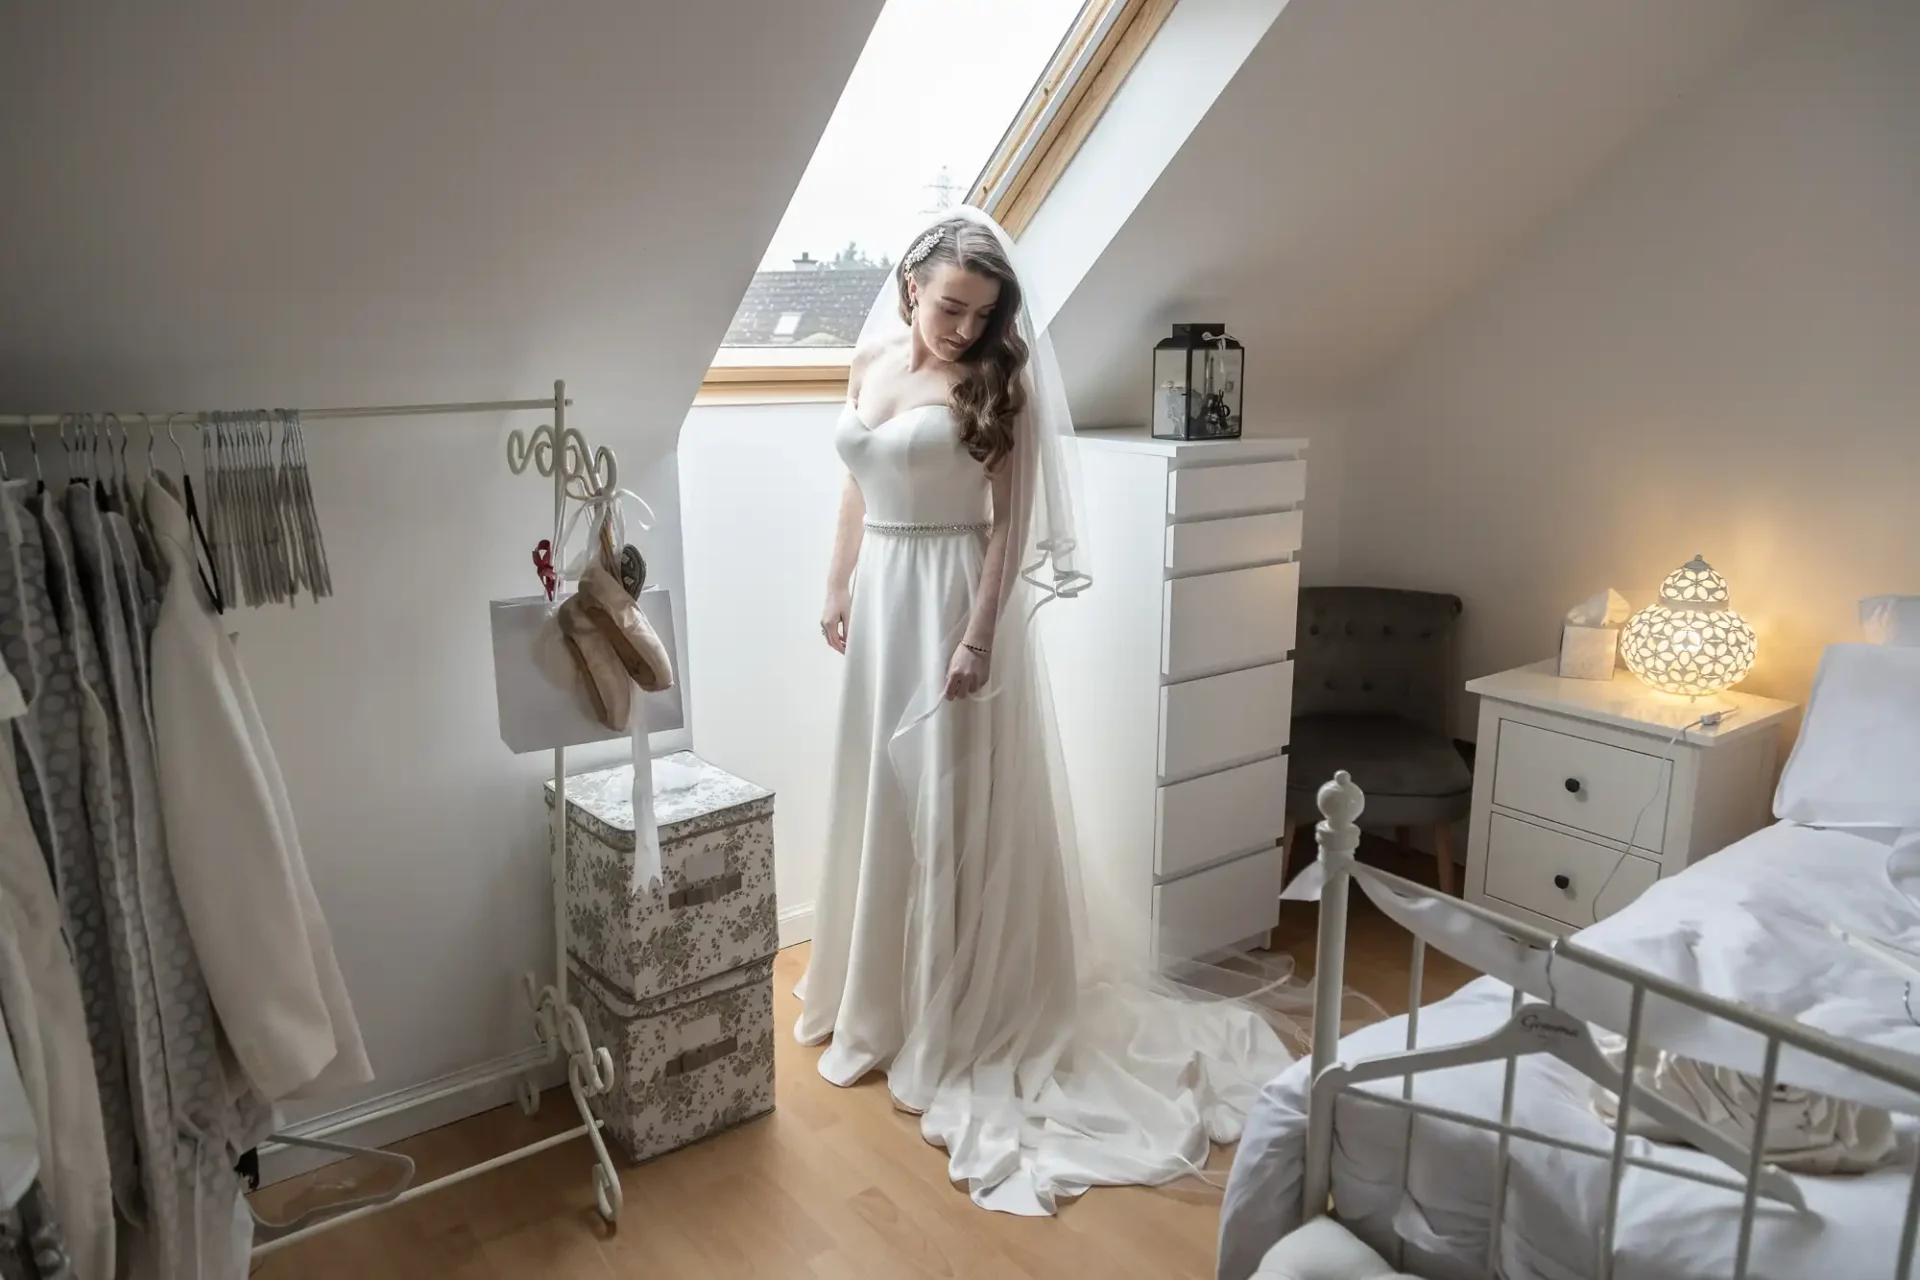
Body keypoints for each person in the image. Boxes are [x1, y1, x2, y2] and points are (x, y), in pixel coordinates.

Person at [796, 207, 1299, 1216]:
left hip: (949, 601)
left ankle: (953, 1009)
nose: (962, 330)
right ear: (910, 285)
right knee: (883, 796)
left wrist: (979, 638)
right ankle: (879, 1000)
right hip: (883, 597)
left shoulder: (998, 384)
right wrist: (837, 583)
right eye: (948, 306)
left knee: (951, 807)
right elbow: (856, 482)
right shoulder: (868, 355)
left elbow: (1009, 528)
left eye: (981, 314)